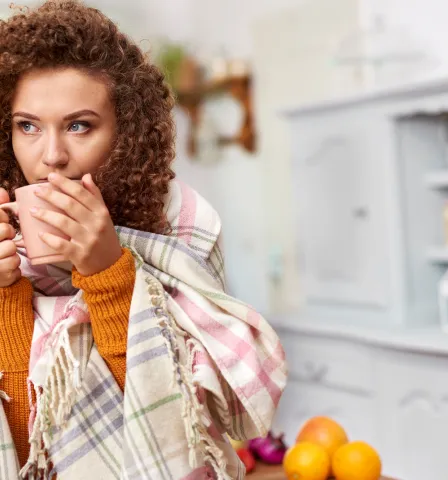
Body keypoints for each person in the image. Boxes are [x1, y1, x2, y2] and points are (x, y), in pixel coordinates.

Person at [0, 1, 287, 479]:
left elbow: (179, 431)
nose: (51, 156)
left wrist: (109, 273)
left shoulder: (183, 222)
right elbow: (22, 452)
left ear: (125, 133)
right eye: (27, 126)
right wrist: (7, 294)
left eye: (79, 125)